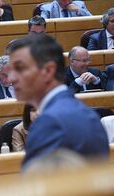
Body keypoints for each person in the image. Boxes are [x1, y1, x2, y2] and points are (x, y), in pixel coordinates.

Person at [7, 34, 109, 168]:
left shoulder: (49, 121)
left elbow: (38, 185)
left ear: (48, 70)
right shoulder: (83, 111)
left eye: (20, 68)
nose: (11, 78)